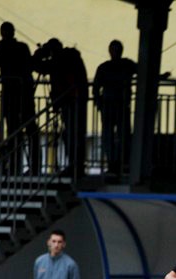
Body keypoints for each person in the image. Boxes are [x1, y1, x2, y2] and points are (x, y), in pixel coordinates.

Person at [0, 22, 39, 175]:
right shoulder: (22, 47)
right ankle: (32, 166)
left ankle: (15, 166)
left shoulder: (3, 48)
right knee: (30, 130)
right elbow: (30, 66)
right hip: (24, 94)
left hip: (12, 96)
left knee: (14, 132)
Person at [32, 38, 88, 177]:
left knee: (71, 135)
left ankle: (74, 167)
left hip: (70, 101)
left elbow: (39, 66)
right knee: (74, 134)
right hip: (75, 100)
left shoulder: (60, 59)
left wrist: (39, 53)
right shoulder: (71, 57)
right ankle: (77, 166)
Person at [93, 40, 137, 178]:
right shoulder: (120, 65)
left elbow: (144, 71)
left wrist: (99, 103)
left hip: (119, 105)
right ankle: (115, 163)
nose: (115, 52)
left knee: (121, 136)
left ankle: (120, 163)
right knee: (111, 136)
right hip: (110, 105)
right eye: (114, 49)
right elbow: (95, 89)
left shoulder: (124, 65)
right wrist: (99, 104)